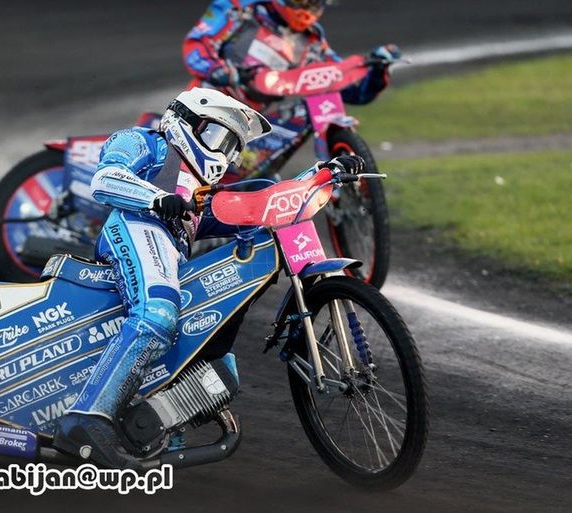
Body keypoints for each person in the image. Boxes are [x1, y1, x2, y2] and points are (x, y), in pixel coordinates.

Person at [53, 87, 365, 468]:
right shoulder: (145, 141)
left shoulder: (202, 195)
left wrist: (324, 173)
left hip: (169, 249)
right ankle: (85, 420)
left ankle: (154, 423)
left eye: (232, 147)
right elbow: (105, 179)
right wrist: (155, 198)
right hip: (135, 225)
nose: (224, 154)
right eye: (218, 136)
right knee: (157, 314)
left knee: (215, 361)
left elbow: (265, 201)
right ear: (186, 121)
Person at [183, 0, 400, 109]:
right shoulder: (240, 8)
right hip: (206, 104)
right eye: (301, 1)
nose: (306, 9)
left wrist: (377, 71)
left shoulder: (312, 41)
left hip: (257, 125)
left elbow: (347, 88)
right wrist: (215, 70)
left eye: (313, 3)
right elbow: (196, 45)